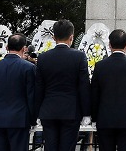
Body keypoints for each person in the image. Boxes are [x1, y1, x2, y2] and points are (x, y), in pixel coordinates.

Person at [35, 19, 91, 151]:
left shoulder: (43, 58)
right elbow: (84, 86)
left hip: (48, 110)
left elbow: (39, 87)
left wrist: (37, 113)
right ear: (71, 37)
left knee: (50, 146)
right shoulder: (79, 56)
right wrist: (87, 113)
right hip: (71, 111)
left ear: (53, 37)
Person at [91, 29, 126, 151]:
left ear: (109, 45)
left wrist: (93, 118)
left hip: (105, 120)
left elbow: (94, 94)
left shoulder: (100, 66)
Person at [0, 33, 37, 151]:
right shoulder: (29, 67)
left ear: (7, 47)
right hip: (19, 119)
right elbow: (31, 96)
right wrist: (33, 119)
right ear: (24, 48)